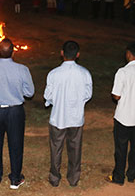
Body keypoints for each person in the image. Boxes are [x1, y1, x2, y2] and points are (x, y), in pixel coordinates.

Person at [0, 38, 35, 191]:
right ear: (13, 52)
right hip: (15, 111)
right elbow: (30, 92)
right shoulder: (22, 70)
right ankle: (15, 179)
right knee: (16, 144)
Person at [44, 41, 92, 187]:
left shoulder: (54, 74)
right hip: (76, 117)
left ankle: (54, 178)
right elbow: (87, 94)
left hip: (58, 117)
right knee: (75, 149)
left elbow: (48, 95)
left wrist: (57, 101)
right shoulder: (84, 73)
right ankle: (73, 178)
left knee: (56, 149)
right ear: (78, 54)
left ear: (62, 53)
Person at [106, 42, 135, 185]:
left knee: (120, 148)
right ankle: (132, 174)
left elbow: (116, 96)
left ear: (127, 54)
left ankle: (118, 177)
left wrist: (128, 95)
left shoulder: (122, 72)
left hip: (123, 116)